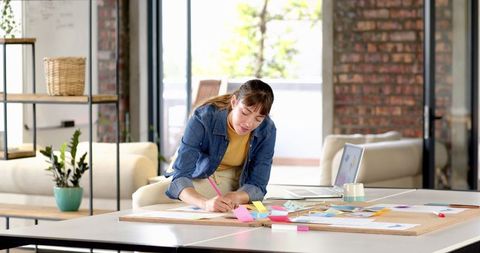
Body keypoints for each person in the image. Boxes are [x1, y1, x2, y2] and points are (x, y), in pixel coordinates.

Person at [165, 79, 276, 212]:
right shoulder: (203, 118)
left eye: (258, 119)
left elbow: (258, 185)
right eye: (245, 113)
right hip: (202, 172)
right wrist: (205, 204)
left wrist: (235, 196)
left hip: (234, 178)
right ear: (234, 102)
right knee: (143, 197)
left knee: (148, 196)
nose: (248, 123)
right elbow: (181, 176)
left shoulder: (267, 130)